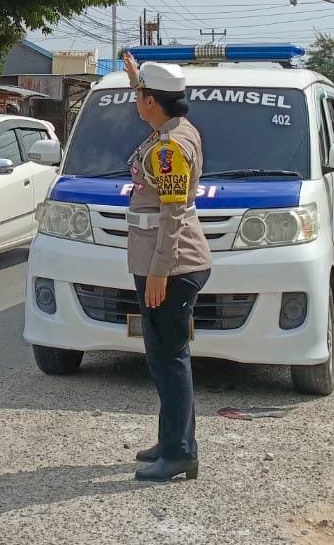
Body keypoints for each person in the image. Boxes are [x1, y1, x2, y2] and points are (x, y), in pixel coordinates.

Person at [122, 52, 212, 483]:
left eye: (140, 95)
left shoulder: (169, 148)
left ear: (152, 102)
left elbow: (173, 214)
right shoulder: (175, 127)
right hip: (164, 261)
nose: (136, 99)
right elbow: (155, 99)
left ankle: (179, 453)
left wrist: (159, 271)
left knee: (169, 358)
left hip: (170, 265)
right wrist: (138, 77)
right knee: (162, 356)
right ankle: (172, 439)